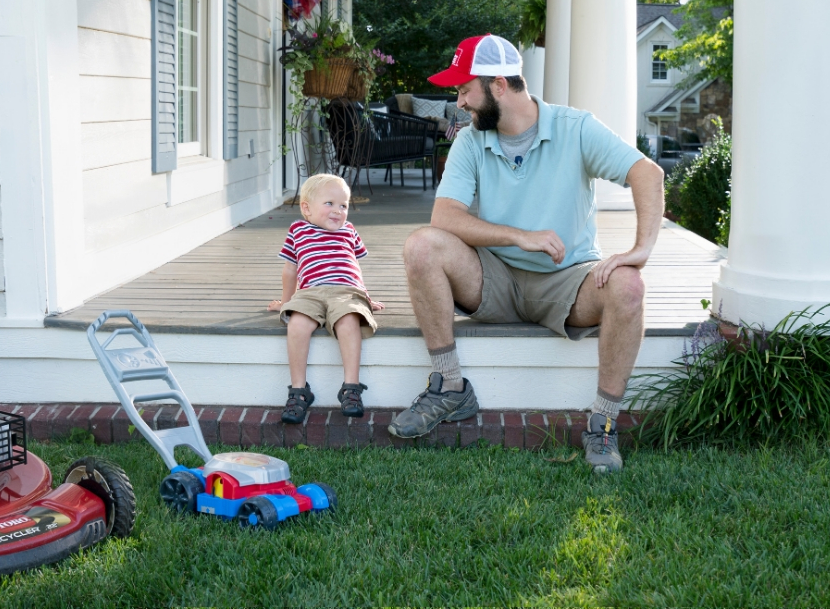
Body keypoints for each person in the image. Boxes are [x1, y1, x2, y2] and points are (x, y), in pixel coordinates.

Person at [388, 34, 665, 473]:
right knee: (421, 245)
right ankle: (450, 387)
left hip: (568, 283)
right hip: (495, 280)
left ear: (498, 85)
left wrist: (641, 250)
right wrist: (519, 236)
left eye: (464, 90)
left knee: (629, 285)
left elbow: (646, 173)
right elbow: (445, 217)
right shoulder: (470, 141)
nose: (459, 102)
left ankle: (603, 424)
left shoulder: (576, 128)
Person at [268, 174, 384, 423]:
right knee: (297, 323)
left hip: (346, 291)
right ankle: (299, 391)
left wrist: (365, 298)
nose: (338, 211)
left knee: (348, 320)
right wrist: (285, 302)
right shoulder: (298, 230)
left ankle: (351, 387)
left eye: (343, 206)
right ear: (306, 208)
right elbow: (290, 270)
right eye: (329, 203)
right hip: (309, 292)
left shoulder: (349, 230)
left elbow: (355, 268)